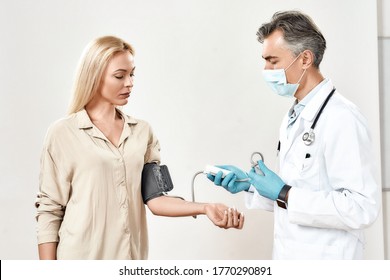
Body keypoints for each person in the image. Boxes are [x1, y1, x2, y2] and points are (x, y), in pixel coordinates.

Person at [35, 35, 244, 260]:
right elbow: (49, 210)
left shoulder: (142, 132)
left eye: (132, 74)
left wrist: (205, 208)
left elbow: (155, 200)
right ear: (94, 76)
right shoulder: (63, 133)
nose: (130, 83)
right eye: (119, 76)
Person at [207, 11, 380, 259]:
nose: (266, 69)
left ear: (305, 59)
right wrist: (250, 185)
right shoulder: (296, 115)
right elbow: (297, 192)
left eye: (273, 61)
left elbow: (361, 208)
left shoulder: (341, 118)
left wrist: (283, 192)